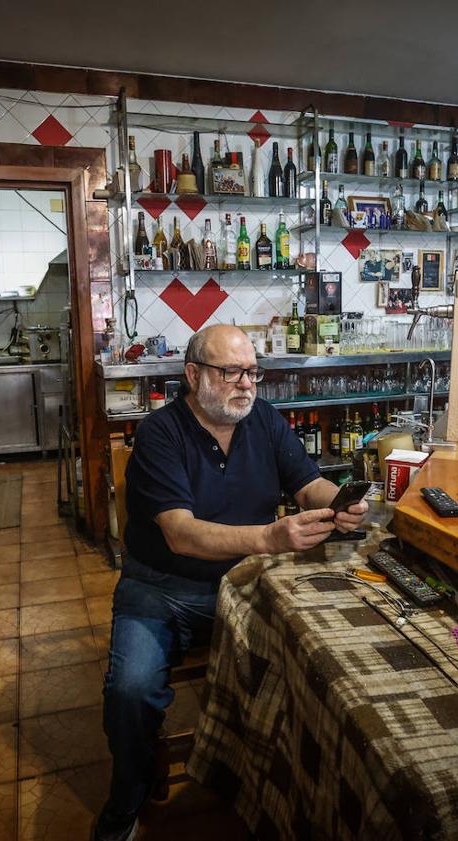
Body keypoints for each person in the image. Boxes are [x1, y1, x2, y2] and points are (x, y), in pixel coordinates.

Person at [93, 324, 369, 841]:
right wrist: (270, 536)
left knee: (323, 668)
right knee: (129, 693)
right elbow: (180, 534)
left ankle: (277, 790)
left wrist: (341, 503)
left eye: (253, 372)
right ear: (193, 374)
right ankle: (124, 805)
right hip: (163, 588)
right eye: (231, 372)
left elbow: (308, 484)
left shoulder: (264, 421)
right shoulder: (159, 433)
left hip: (248, 583)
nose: (246, 384)